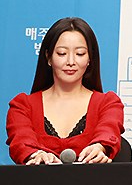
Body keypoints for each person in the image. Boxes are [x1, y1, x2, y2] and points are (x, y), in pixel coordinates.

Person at [6, 17, 124, 165]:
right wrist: (35, 155)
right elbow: (20, 140)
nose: (70, 62)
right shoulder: (22, 105)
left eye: (80, 54)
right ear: (48, 57)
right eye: (62, 53)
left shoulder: (108, 103)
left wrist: (99, 147)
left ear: (90, 59)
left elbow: (109, 130)